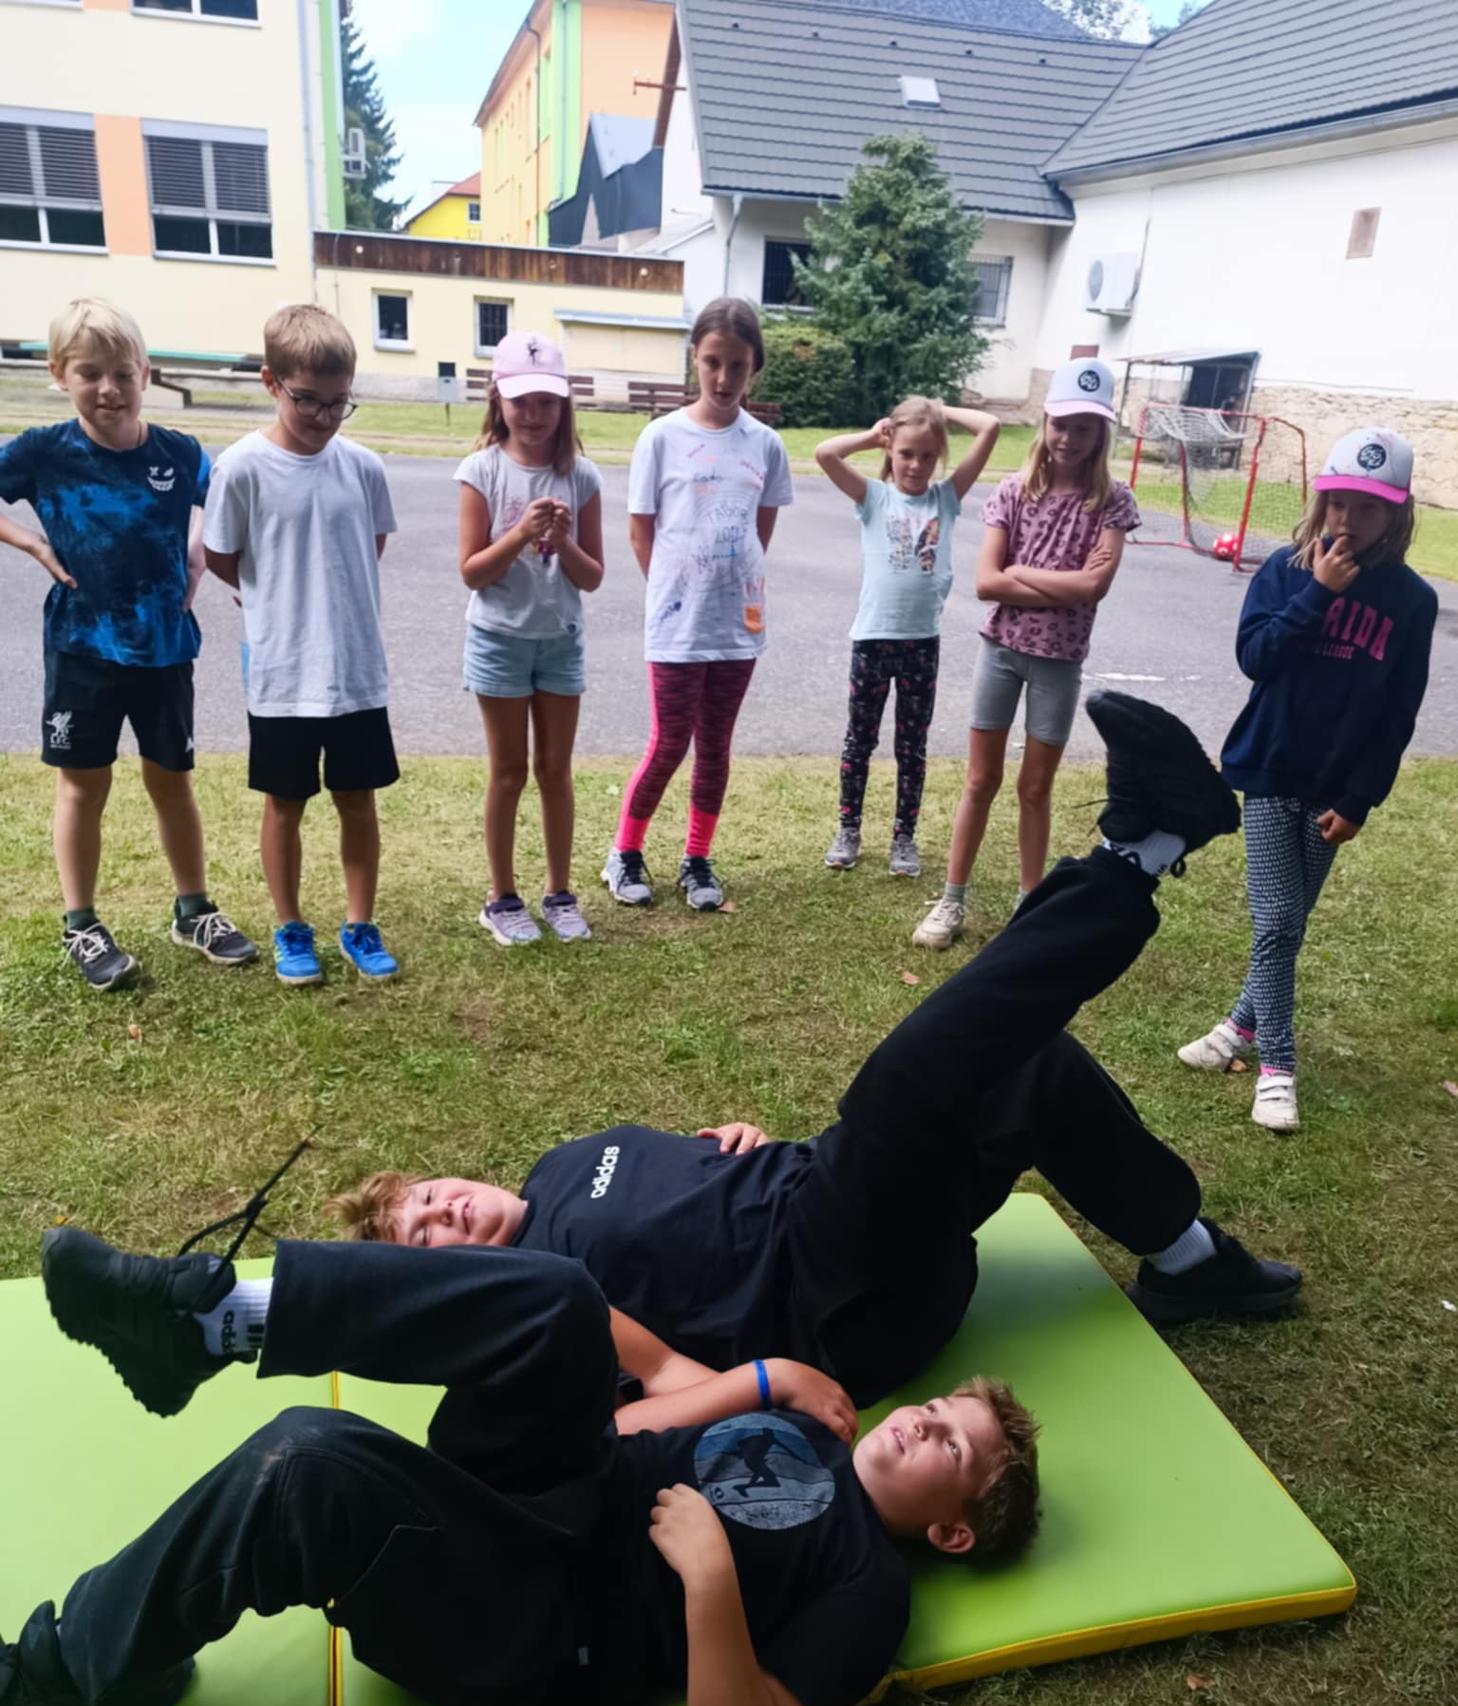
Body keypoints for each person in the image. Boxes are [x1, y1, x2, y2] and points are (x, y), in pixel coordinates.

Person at [337, 696, 1302, 1384]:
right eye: (427, 1238)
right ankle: (1136, 853)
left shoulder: (561, 1166)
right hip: (830, 1301)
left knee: (1023, 1064)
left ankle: (1191, 1264)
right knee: (907, 1078)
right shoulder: (528, 1298)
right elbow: (640, 1394)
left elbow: (684, 1189)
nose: (443, 1211)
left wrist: (732, 1147)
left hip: (826, 1197)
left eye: (426, 1197)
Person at [5, 1225, 1039, 1706]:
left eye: (950, 1445)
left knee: (306, 1465)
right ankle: (215, 1326)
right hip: (550, 1494)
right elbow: (628, 1424)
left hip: (541, 1621)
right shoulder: (807, 1431)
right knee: (564, 1303)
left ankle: (59, 1678)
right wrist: (761, 1382)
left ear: (950, 1530)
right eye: (936, 1408)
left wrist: (711, 1582)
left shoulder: (868, 1586)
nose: (922, 1421)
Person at [1178, 428, 1436, 1134]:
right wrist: (1317, 594)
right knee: (1278, 920)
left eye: (1369, 507)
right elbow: (1256, 658)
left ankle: (1235, 1031)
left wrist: (1360, 799)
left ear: (1397, 512)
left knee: (1286, 925)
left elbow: (1399, 712)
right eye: (1339, 502)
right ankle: (1277, 1069)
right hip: (1269, 767)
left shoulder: (1412, 601)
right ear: (1321, 501)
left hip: (1336, 787)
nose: (1349, 519)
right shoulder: (1284, 572)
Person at [0, 298, 256, 990]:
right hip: (81, 649)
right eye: (90, 373)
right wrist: (28, 542)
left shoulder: (178, 453)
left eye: (122, 373)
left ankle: (193, 910)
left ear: (145, 373)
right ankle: (80, 923)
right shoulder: (43, 452)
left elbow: (226, 505)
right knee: (84, 785)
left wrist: (202, 550)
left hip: (165, 648)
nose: (108, 389)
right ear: (60, 374)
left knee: (172, 781)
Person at [203, 305, 400, 987]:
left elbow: (370, 547)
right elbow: (222, 556)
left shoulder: (364, 468)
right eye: (307, 399)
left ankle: (359, 923)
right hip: (283, 672)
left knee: (358, 799)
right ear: (272, 382)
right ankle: (290, 926)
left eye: (338, 402)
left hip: (355, 671)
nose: (323, 415)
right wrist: (271, 596)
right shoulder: (241, 468)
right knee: (284, 804)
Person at [914, 358, 1140, 950]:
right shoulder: (1013, 492)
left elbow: (1094, 587)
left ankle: (1029, 905)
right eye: (1061, 424)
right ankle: (952, 899)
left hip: (1059, 662)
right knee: (980, 779)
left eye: (1085, 427)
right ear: (1045, 422)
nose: (1070, 438)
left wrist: (1021, 572)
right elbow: (987, 582)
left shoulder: (1112, 501)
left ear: (1101, 433)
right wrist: (1055, 581)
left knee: (1035, 788)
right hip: (1001, 653)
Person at [602, 299, 794, 914]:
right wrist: (677, 593)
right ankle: (625, 852)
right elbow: (642, 532)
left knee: (715, 747)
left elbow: (759, 532)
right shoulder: (661, 437)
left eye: (737, 365)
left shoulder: (765, 445)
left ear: (754, 367)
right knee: (669, 743)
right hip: (677, 627)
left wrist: (728, 588)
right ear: (694, 358)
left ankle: (697, 857)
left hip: (737, 626)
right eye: (712, 362)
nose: (723, 378)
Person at [456, 332, 604, 946]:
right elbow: (472, 571)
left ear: (564, 405)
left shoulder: (581, 476)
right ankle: (501, 897)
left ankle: (559, 892)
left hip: (560, 641)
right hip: (499, 640)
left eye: (547, 402)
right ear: (499, 398)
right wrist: (519, 533)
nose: (534, 414)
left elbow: (591, 577)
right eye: (522, 401)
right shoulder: (481, 470)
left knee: (555, 770)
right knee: (509, 771)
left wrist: (563, 541)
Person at [815, 397, 1000, 879]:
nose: (916, 465)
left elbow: (990, 427)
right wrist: (871, 435)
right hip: (873, 641)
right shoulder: (874, 497)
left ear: (938, 456)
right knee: (859, 741)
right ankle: (848, 829)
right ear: (890, 451)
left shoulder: (946, 498)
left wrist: (941, 411)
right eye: (906, 454)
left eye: (927, 455)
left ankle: (904, 837)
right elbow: (825, 454)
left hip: (921, 643)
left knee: (911, 747)